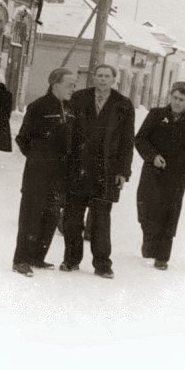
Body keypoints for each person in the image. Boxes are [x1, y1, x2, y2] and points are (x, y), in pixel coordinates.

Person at [62, 64, 135, 279]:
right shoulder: (78, 99)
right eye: (99, 76)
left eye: (107, 76)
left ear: (114, 79)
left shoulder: (123, 104)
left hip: (107, 170)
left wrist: (123, 171)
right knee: (73, 217)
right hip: (79, 168)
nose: (102, 80)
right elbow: (68, 133)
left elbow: (127, 141)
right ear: (93, 78)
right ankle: (71, 260)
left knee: (102, 220)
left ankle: (103, 264)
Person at [11, 68, 80, 277]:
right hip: (38, 173)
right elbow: (23, 139)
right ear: (55, 85)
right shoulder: (38, 107)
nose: (73, 89)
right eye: (70, 84)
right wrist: (38, 158)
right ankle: (21, 260)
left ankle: (37, 257)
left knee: (50, 216)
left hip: (61, 173)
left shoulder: (71, 109)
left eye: (74, 85)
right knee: (31, 216)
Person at [134, 81, 185, 270]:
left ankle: (162, 257)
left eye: (182, 99)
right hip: (152, 172)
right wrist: (153, 156)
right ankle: (149, 242)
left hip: (176, 177)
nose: (177, 102)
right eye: (174, 98)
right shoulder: (156, 115)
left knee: (169, 215)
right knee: (146, 210)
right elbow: (140, 139)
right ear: (170, 97)